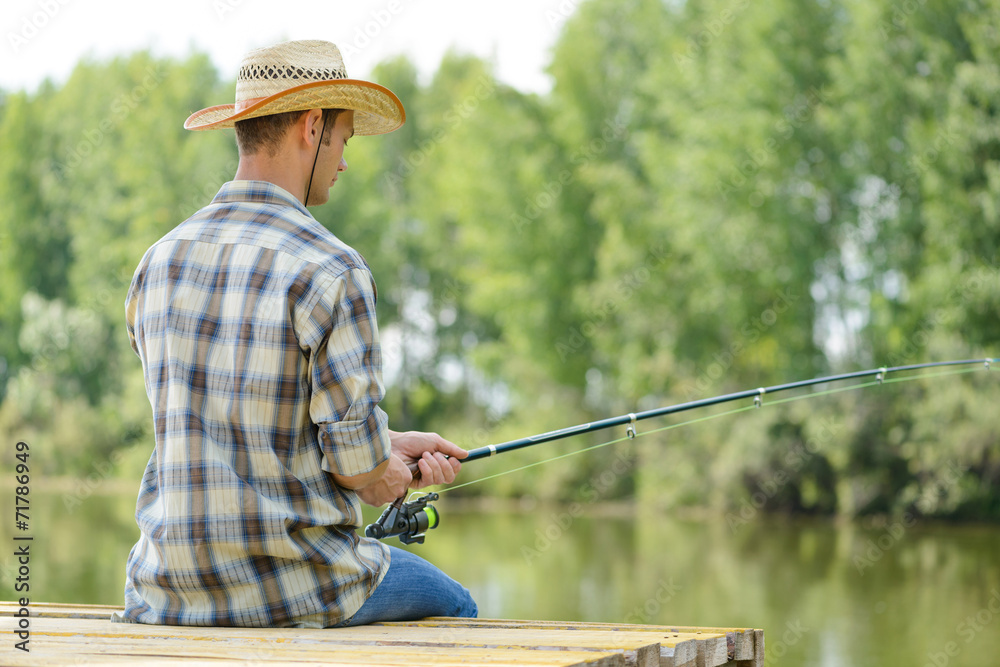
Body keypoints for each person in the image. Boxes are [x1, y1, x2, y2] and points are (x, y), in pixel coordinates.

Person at [113, 39, 477, 628]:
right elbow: (358, 474)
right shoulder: (333, 270)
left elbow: (235, 421)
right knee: (458, 606)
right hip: (298, 586)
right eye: (344, 140)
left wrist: (387, 443)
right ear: (313, 127)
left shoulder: (157, 262)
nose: (344, 161)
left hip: (164, 590)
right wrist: (387, 472)